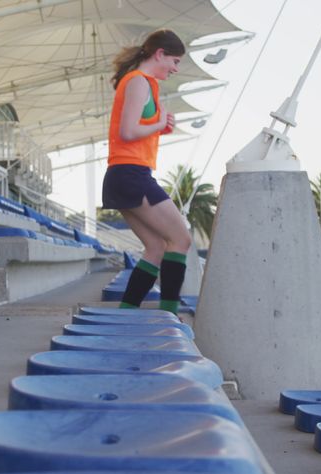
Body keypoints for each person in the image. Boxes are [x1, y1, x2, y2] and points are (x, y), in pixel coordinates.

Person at [102, 29, 192, 315]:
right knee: (181, 239)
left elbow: (135, 130)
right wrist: (157, 125)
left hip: (126, 174)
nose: (176, 69)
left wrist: (160, 126)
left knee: (155, 246)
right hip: (131, 174)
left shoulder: (147, 84)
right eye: (174, 61)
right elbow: (128, 132)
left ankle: (126, 311)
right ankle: (169, 315)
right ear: (159, 54)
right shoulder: (139, 82)